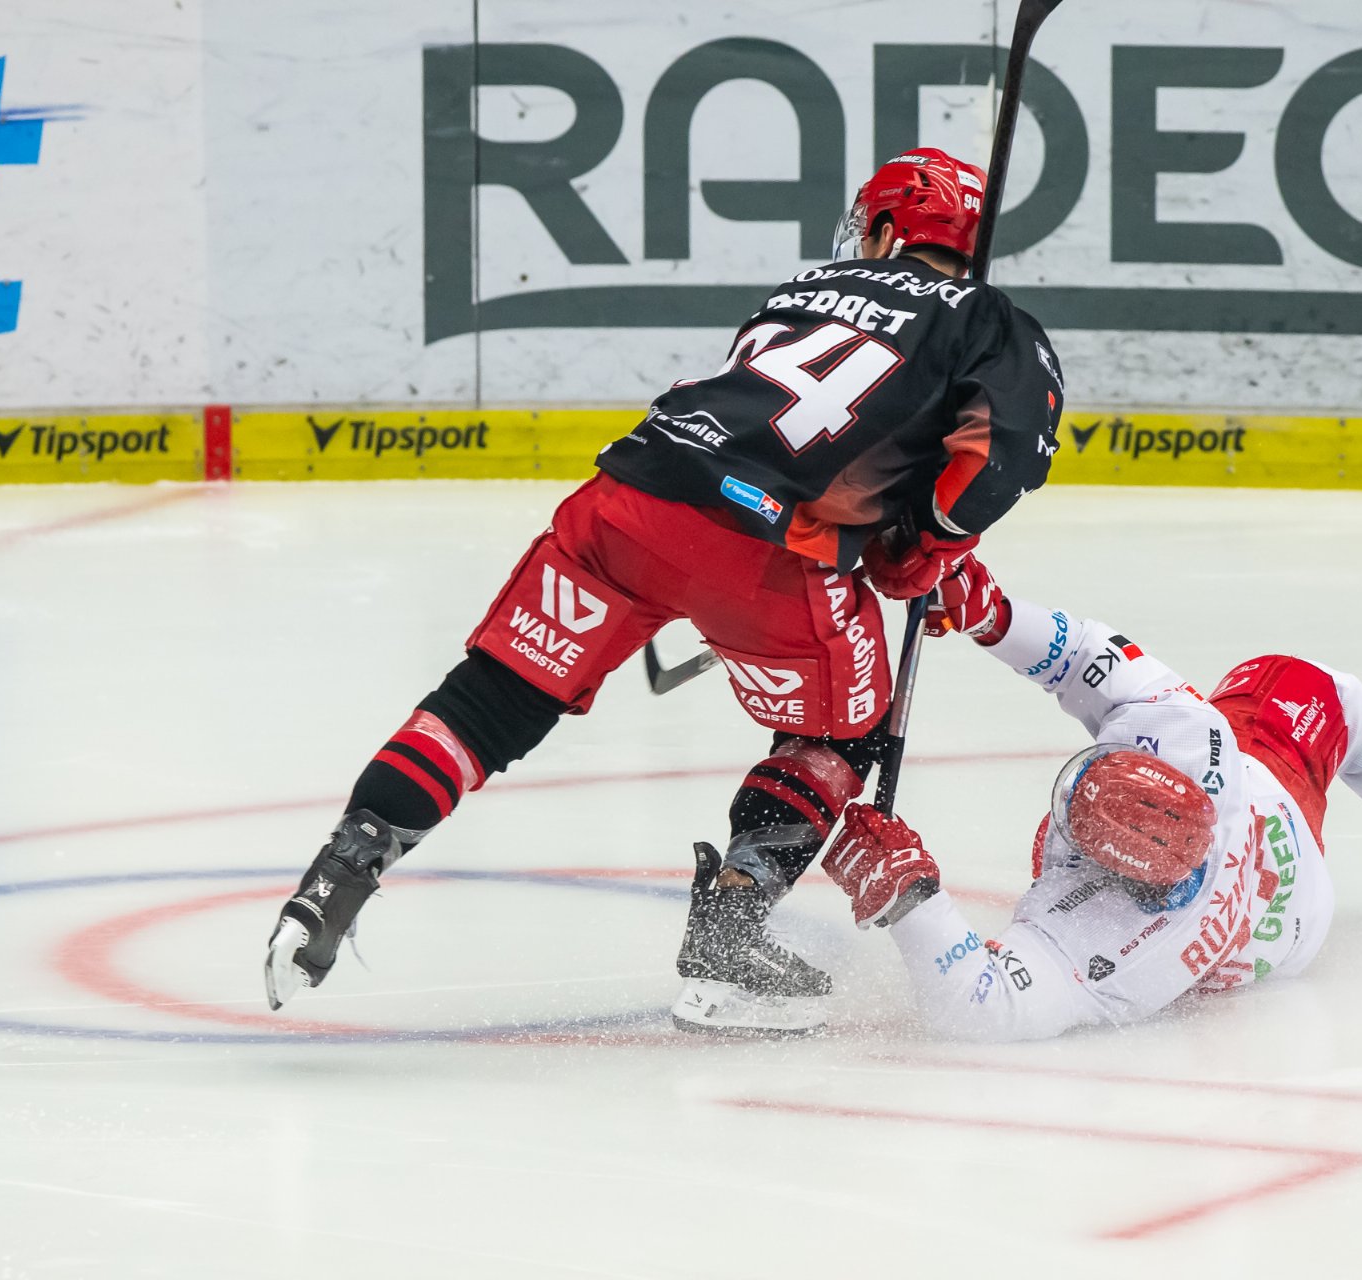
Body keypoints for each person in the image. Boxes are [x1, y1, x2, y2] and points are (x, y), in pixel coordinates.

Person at [263, 149, 1066, 1034]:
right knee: (842, 731)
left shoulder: (802, 292)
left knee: (499, 695)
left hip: (627, 499)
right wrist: (926, 546)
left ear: (883, 229)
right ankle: (730, 928)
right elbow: (997, 460)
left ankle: (345, 864)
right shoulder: (995, 323)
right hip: (766, 551)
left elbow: (795, 425)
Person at [816, 556, 1362, 1040]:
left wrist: (910, 899)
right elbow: (1087, 657)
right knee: (1319, 691)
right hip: (1274, 860)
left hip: (1271, 928)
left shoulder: (1108, 946)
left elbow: (979, 1013)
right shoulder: (1194, 744)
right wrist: (990, 615)